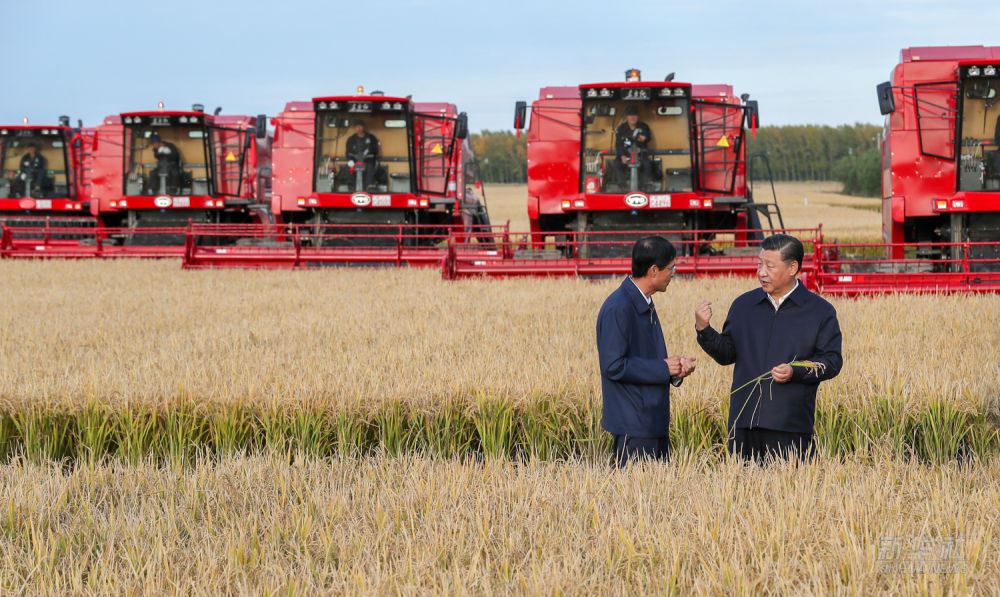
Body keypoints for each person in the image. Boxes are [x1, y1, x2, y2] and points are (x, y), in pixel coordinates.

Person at [695, 234, 843, 463]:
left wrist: (796, 371)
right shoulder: (744, 306)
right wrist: (704, 329)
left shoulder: (819, 311)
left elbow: (831, 362)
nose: (761, 272)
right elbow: (727, 354)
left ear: (793, 267)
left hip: (789, 424)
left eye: (769, 266)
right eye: (759, 264)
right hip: (743, 423)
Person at [597, 235, 697, 467]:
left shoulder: (643, 302)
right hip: (634, 426)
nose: (673, 274)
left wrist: (674, 370)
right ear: (653, 271)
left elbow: (644, 360)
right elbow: (613, 366)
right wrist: (664, 367)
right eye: (671, 268)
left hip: (651, 421)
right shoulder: (618, 308)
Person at [614, 105, 653, 190]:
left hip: (641, 154)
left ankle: (643, 187)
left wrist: (644, 138)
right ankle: (622, 187)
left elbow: (649, 137)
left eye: (634, 115)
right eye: (630, 115)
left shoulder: (644, 126)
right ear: (627, 117)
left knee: (647, 164)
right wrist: (622, 156)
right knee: (617, 163)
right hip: (626, 154)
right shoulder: (621, 128)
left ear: (637, 116)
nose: (632, 117)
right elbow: (618, 144)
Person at [344, 119, 380, 190]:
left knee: (370, 166)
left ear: (363, 127)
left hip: (368, 160)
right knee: (347, 167)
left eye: (360, 126)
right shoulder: (351, 139)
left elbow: (376, 150)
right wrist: (350, 160)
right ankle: (351, 186)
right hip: (354, 160)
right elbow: (348, 152)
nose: (358, 128)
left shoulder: (371, 138)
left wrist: (370, 152)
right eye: (357, 127)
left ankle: (369, 185)